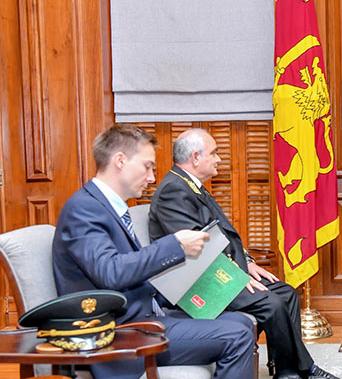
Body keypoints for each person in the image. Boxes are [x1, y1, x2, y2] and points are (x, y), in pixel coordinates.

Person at [52, 124, 255, 379]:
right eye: (147, 166)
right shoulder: (83, 209)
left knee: (241, 322)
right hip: (118, 336)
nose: (151, 178)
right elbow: (111, 272)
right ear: (120, 161)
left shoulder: (105, 207)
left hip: (142, 318)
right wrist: (175, 245)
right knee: (235, 335)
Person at [148, 128, 338, 379]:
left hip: (217, 271)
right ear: (195, 157)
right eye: (214, 153)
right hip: (198, 283)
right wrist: (237, 274)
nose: (219, 159)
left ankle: (286, 370)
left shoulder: (190, 186)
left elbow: (221, 236)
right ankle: (300, 371)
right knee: (271, 303)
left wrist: (246, 263)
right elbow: (197, 249)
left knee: (287, 293)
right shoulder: (174, 191)